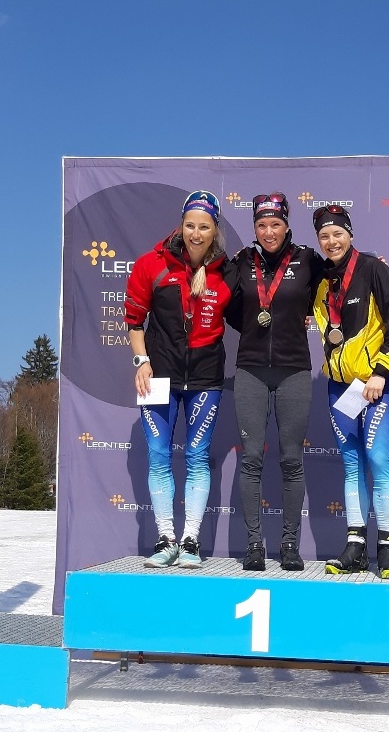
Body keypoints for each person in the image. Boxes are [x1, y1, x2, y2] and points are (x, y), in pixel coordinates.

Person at [124, 190, 235, 569]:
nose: (196, 233)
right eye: (190, 225)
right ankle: (165, 538)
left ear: (215, 229)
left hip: (205, 378)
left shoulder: (227, 270)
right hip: (159, 377)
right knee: (158, 457)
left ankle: (191, 541)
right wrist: (141, 361)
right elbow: (134, 320)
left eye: (204, 226)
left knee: (197, 457)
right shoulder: (150, 265)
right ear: (181, 225)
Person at [311, 203, 389, 579]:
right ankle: (355, 546)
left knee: (379, 459)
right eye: (324, 236)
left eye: (338, 233)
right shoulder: (321, 281)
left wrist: (381, 372)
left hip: (375, 384)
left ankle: (387, 548)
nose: (331, 241)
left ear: (350, 234)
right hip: (340, 388)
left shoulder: (373, 269)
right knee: (351, 463)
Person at [227, 192, 326, 571]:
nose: (268, 232)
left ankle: (289, 544)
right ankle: (254, 545)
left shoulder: (307, 260)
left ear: (287, 225)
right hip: (251, 369)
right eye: (261, 225)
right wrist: (256, 327)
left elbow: (341, 277)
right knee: (251, 459)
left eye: (275, 224)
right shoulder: (241, 261)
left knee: (291, 460)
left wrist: (373, 268)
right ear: (255, 227)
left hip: (294, 369)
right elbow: (228, 307)